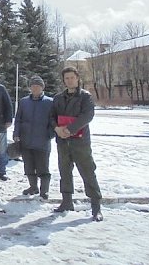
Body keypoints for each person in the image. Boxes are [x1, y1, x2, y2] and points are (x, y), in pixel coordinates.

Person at [51, 66, 103, 221]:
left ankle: (96, 207)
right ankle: (66, 202)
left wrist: (70, 129)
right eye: (66, 78)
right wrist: (57, 128)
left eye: (72, 77)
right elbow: (51, 116)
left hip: (80, 142)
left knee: (87, 172)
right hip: (62, 141)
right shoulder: (58, 98)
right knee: (64, 171)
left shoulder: (85, 97)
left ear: (77, 78)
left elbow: (87, 115)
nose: (69, 80)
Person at [12, 76, 54, 199]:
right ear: (30, 87)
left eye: (38, 86)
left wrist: (50, 134)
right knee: (29, 166)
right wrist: (16, 133)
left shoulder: (49, 102)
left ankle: (44, 190)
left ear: (42, 87)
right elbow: (18, 119)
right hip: (26, 140)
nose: (35, 88)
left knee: (43, 167)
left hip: (42, 141)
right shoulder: (24, 101)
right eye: (33, 86)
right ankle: (33, 187)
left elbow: (54, 120)